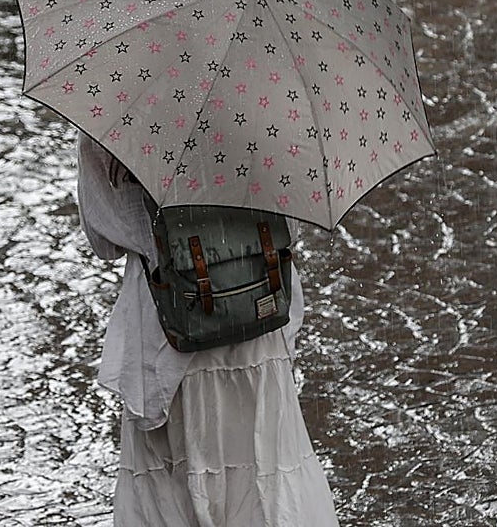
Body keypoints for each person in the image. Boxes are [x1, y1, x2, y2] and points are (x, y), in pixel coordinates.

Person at [75, 132, 340, 526]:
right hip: (256, 309)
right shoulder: (268, 99)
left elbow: (104, 238)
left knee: (178, 477)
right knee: (264, 464)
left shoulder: (111, 111)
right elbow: (293, 223)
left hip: (168, 325)